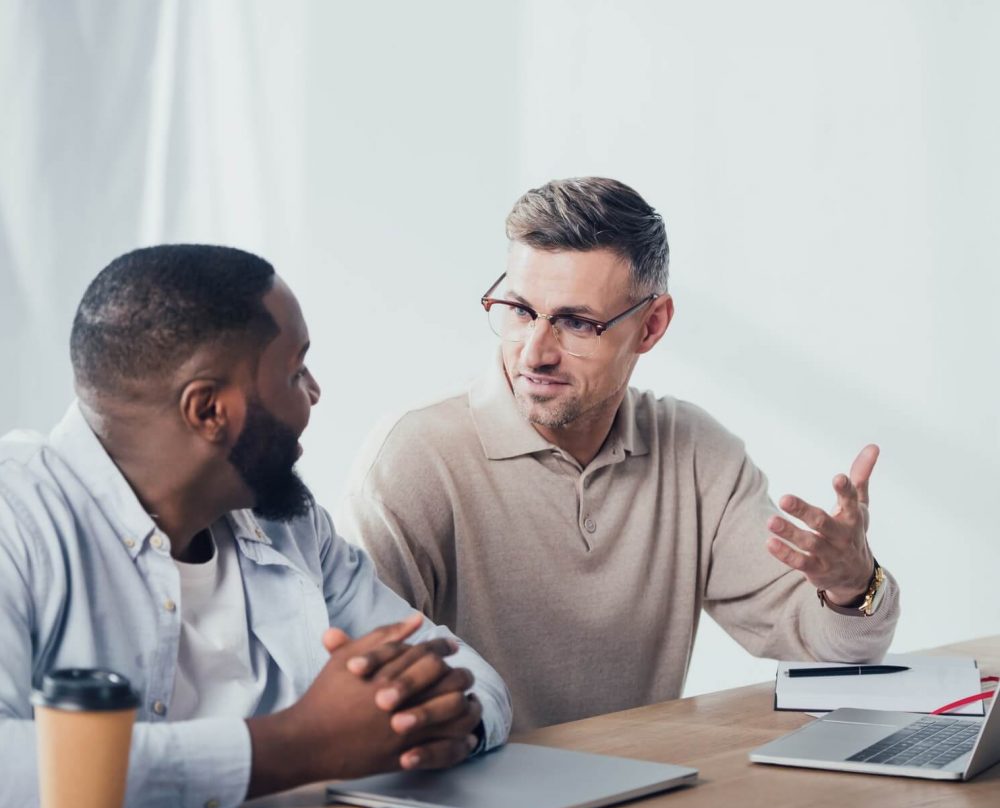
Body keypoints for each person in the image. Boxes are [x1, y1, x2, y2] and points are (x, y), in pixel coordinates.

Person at [340, 176, 900, 731]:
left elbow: (829, 653)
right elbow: (356, 693)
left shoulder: (696, 453)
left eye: (576, 322)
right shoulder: (414, 458)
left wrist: (853, 585)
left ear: (651, 325)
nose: (535, 352)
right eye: (518, 310)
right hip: (470, 797)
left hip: (639, 795)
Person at [0, 244, 511, 808]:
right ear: (209, 409)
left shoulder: (289, 524)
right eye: (295, 371)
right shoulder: (19, 522)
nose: (315, 393)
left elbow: (465, 672)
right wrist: (296, 746)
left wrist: (449, 720)